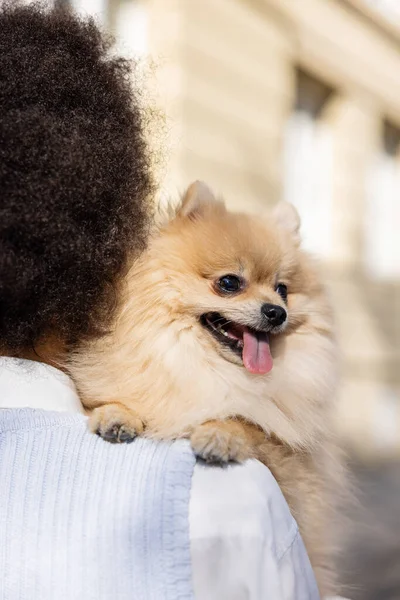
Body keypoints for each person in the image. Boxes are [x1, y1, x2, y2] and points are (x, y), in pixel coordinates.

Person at [0, 3, 321, 599]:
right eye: (229, 284)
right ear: (105, 248)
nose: (268, 305)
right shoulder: (229, 502)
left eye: (277, 289)